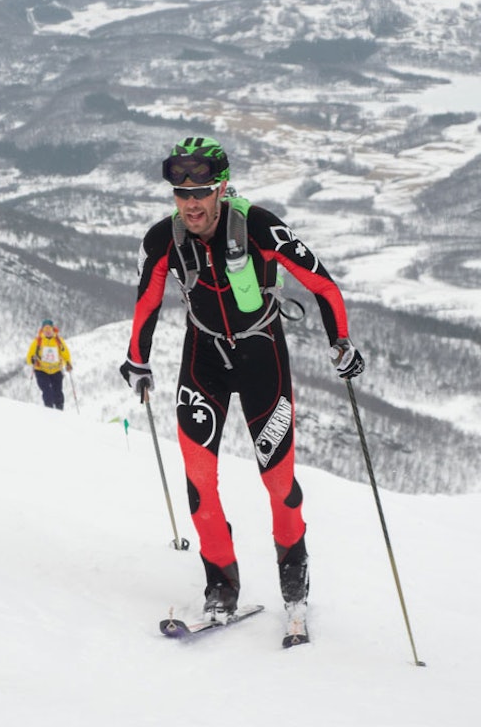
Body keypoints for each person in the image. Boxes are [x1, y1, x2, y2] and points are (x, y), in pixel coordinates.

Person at [119, 137, 364, 641]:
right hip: (203, 357)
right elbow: (147, 299)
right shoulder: (163, 238)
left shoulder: (258, 225)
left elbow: (323, 285)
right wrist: (136, 358)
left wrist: (341, 343)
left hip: (261, 357)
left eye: (202, 192)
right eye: (181, 193)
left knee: (278, 483)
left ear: (222, 188)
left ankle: (293, 586)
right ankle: (221, 586)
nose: (191, 203)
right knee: (200, 480)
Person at [27, 318, 72, 410]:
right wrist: (32, 360)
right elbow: (29, 356)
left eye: (49, 329)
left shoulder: (58, 341)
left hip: (56, 370)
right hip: (41, 370)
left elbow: (65, 353)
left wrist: (68, 363)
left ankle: (60, 411)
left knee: (58, 392)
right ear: (42, 330)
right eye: (45, 329)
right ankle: (49, 411)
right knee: (47, 391)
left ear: (53, 329)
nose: (47, 331)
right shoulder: (37, 341)